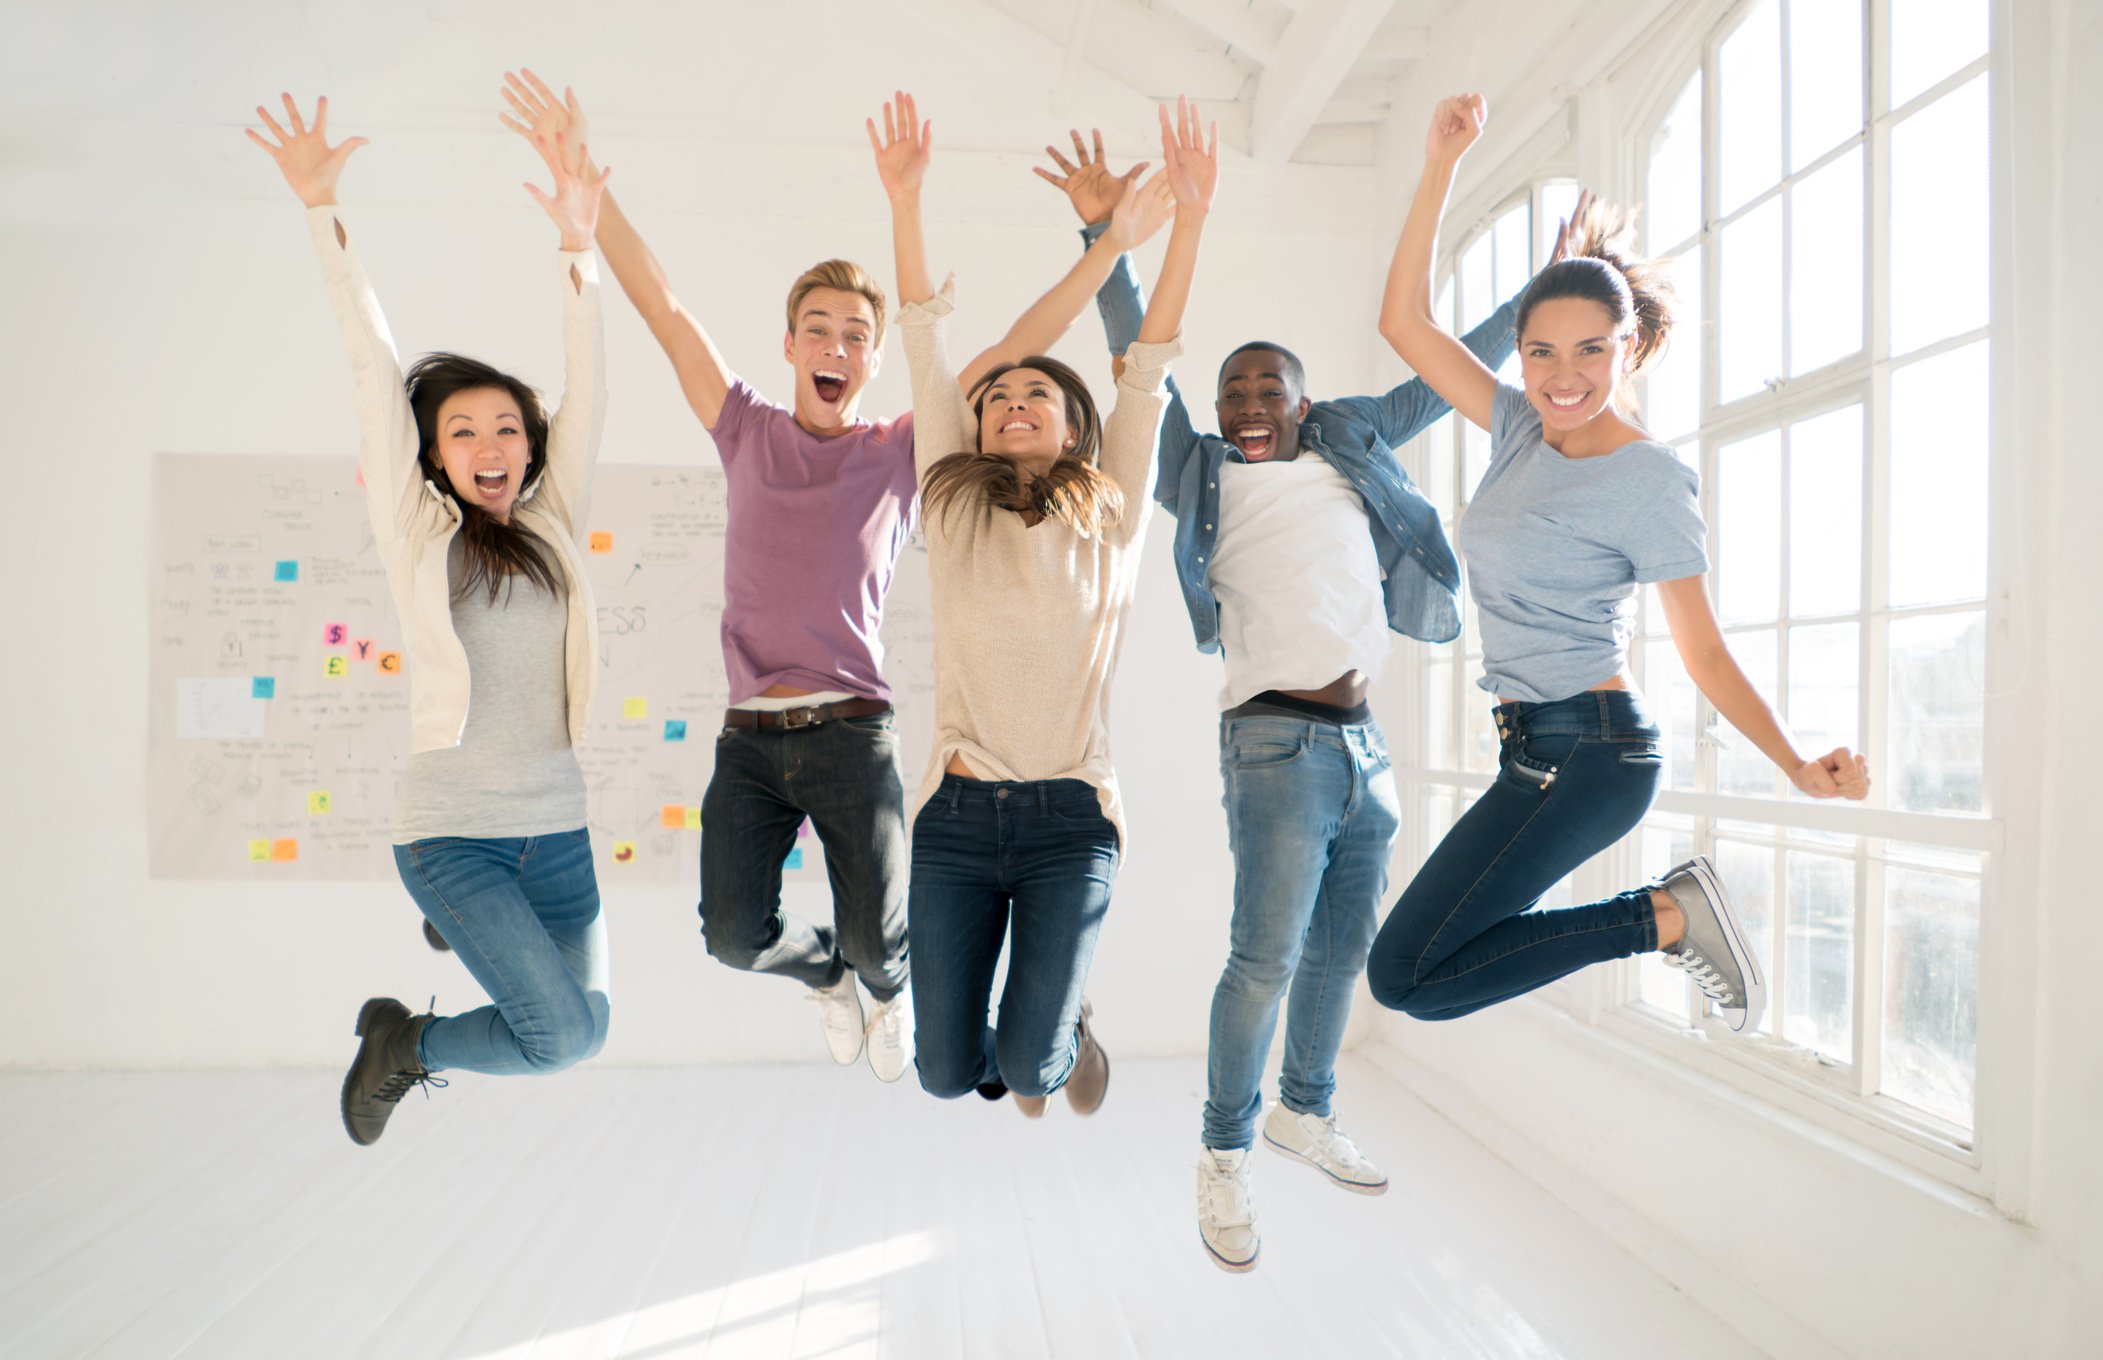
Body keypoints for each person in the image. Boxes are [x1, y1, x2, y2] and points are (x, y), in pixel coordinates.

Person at [495, 73, 1159, 1083]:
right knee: (727, 932)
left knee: (888, 938)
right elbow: (665, 309)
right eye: (820, 329)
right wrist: (589, 193)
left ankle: (890, 987)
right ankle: (824, 975)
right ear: (791, 345)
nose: (837, 345)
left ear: (878, 356)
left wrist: (1106, 246)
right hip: (751, 735)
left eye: (857, 333)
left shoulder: (903, 451)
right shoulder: (746, 429)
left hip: (855, 731)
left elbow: (1018, 345)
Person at [1035, 131, 1558, 1272]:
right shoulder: (1201, 472)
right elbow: (1141, 354)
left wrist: (1537, 293)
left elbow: (1446, 370)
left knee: (1342, 946)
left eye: (1270, 387)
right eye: (1235, 391)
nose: (1250, 402)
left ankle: (1303, 1109)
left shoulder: (1353, 441)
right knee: (1264, 954)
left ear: (1308, 399)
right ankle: (1223, 1156)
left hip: (1365, 740)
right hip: (1273, 739)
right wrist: (1101, 236)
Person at [1365, 94, 1871, 1036]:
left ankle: (1665, 917)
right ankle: (1664, 915)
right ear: (1517, 357)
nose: (1565, 376)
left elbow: (1702, 651)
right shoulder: (1517, 429)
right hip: (1536, 745)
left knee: (1406, 977)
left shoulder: (1649, 479)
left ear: (1626, 346)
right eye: (1541, 353)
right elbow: (1405, 323)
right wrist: (1439, 165)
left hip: (1593, 751)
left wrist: (1797, 761)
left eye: (1591, 351)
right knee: (1409, 976)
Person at [247, 93, 615, 1144]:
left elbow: (589, 383)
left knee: (587, 1026)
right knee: (557, 1039)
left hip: (560, 829)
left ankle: (424, 1009)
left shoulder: (550, 519)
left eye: (509, 426)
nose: (491, 442)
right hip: (455, 832)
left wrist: (576, 242)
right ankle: (405, 1045)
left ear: (531, 447)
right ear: (437, 454)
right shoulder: (417, 529)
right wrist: (323, 210)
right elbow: (372, 365)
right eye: (464, 431)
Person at [874, 92, 1213, 1118]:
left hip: (1074, 818)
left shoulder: (1110, 513)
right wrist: (905, 203)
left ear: (1073, 428)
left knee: (1028, 1072)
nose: (1012, 399)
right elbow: (926, 344)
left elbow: (1148, 367)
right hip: (958, 817)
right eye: (999, 397)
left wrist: (1186, 222)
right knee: (942, 1074)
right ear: (977, 430)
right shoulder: (950, 503)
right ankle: (1039, 1023)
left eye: (1039, 395)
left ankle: (1063, 1034)